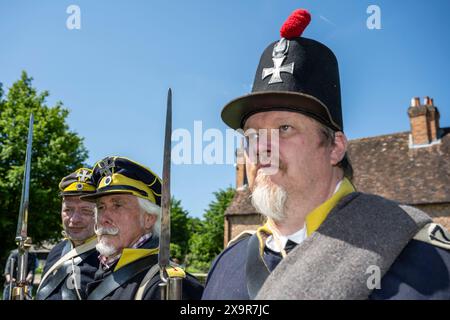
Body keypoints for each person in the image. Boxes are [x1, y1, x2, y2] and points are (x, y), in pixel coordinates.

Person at [202, 8, 450, 300]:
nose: (261, 148)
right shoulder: (226, 265)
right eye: (253, 135)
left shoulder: (427, 263)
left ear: (335, 147)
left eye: (284, 128)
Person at [81, 156, 203, 300]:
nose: (104, 218)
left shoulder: (169, 285)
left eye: (117, 205)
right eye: (101, 207)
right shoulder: (100, 269)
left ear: (148, 219)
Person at [35, 168, 99, 300]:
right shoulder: (57, 251)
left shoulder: (109, 257)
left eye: (86, 211)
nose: (74, 219)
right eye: (68, 210)